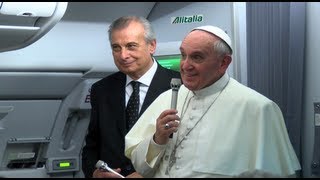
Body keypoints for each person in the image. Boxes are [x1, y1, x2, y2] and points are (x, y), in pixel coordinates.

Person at [125, 25, 301, 178]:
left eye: (197, 57)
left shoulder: (258, 108)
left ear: (223, 63)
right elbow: (141, 168)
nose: (185, 65)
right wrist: (158, 139)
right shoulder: (167, 98)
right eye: (183, 55)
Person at [81, 16, 180, 178]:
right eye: (116, 48)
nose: (123, 55)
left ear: (152, 45)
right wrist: (95, 173)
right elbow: (92, 145)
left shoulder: (179, 86)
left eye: (131, 46)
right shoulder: (102, 89)